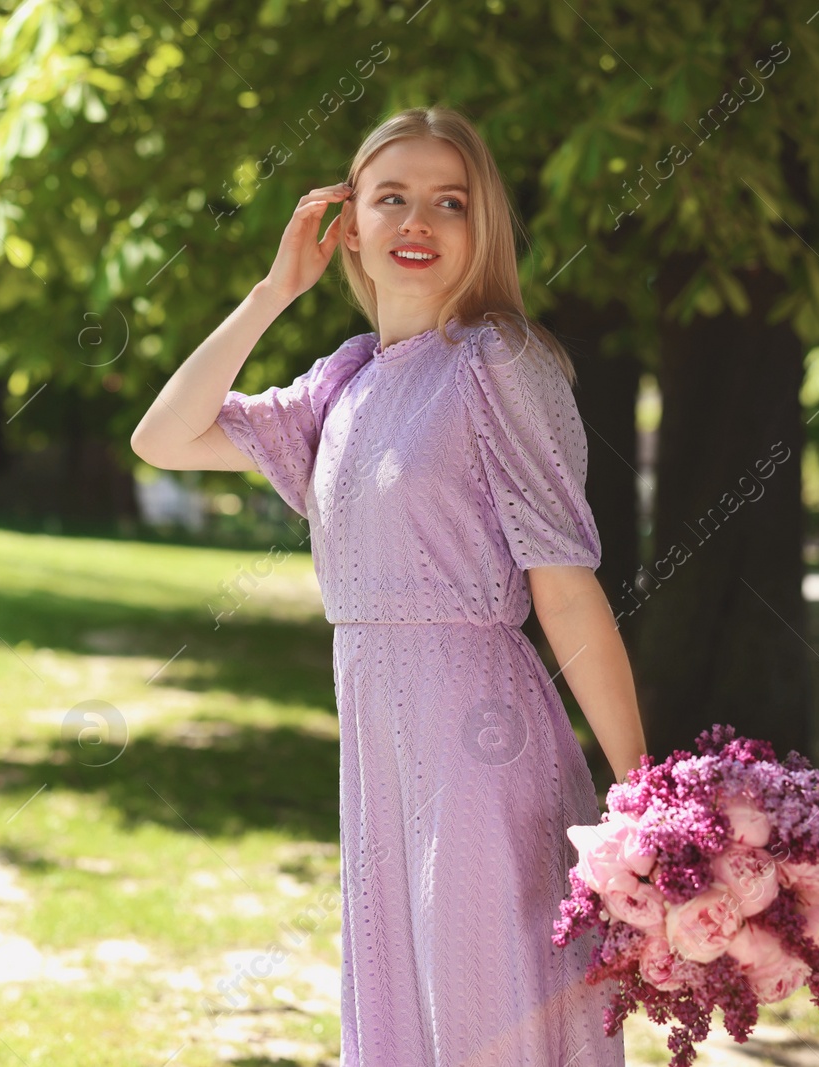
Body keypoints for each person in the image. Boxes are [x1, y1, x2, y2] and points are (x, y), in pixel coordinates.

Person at [132, 105, 645, 1067]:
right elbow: (162, 438)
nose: (417, 222)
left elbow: (565, 589)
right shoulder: (346, 381)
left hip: (479, 740)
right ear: (349, 222)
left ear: (481, 225)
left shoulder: (501, 361)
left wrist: (640, 785)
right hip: (375, 742)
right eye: (391, 198)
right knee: (405, 1012)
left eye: (448, 202)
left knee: (488, 1007)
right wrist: (272, 292)